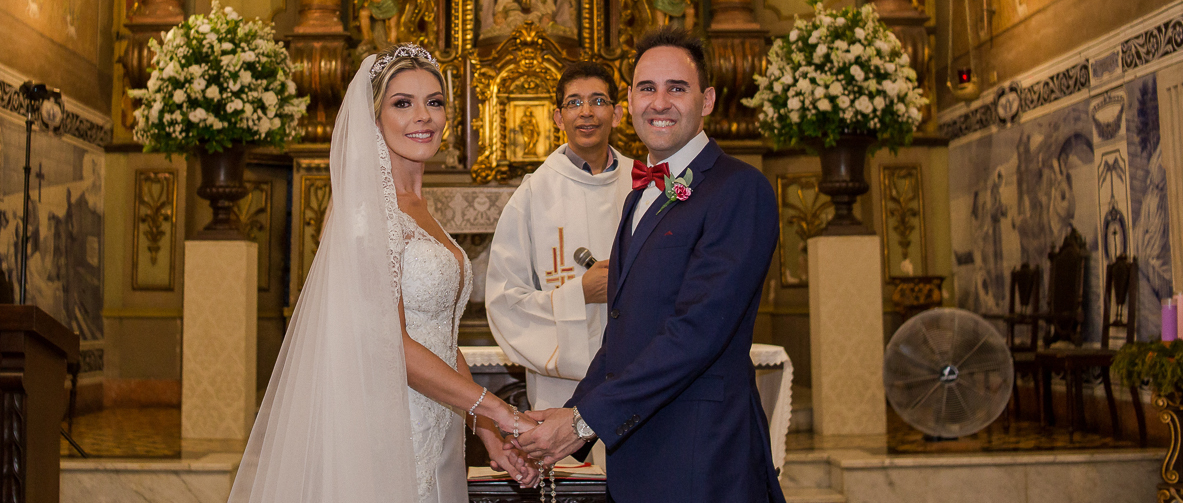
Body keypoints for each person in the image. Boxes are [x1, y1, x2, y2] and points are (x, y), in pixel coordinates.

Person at [228, 45, 539, 503]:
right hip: (387, 429)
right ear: (374, 119)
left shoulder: (420, 208)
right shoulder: (365, 213)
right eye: (402, 103)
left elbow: (439, 338)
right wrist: (500, 409)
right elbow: (389, 343)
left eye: (434, 102)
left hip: (438, 429)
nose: (423, 116)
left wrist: (488, 431)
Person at [514, 28, 785, 503]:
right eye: (646, 88)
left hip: (704, 457)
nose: (659, 103)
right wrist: (567, 415)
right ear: (630, 102)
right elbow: (623, 334)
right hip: (637, 457)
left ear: (707, 100)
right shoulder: (638, 197)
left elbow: (697, 332)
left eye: (676, 88)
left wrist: (581, 423)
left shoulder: (740, 189)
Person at [486, 62, 633, 468]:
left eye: (598, 100)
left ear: (617, 113)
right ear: (557, 117)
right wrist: (579, 294)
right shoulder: (533, 194)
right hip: (560, 393)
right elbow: (504, 300)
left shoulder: (644, 183)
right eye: (574, 102)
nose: (586, 112)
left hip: (637, 382)